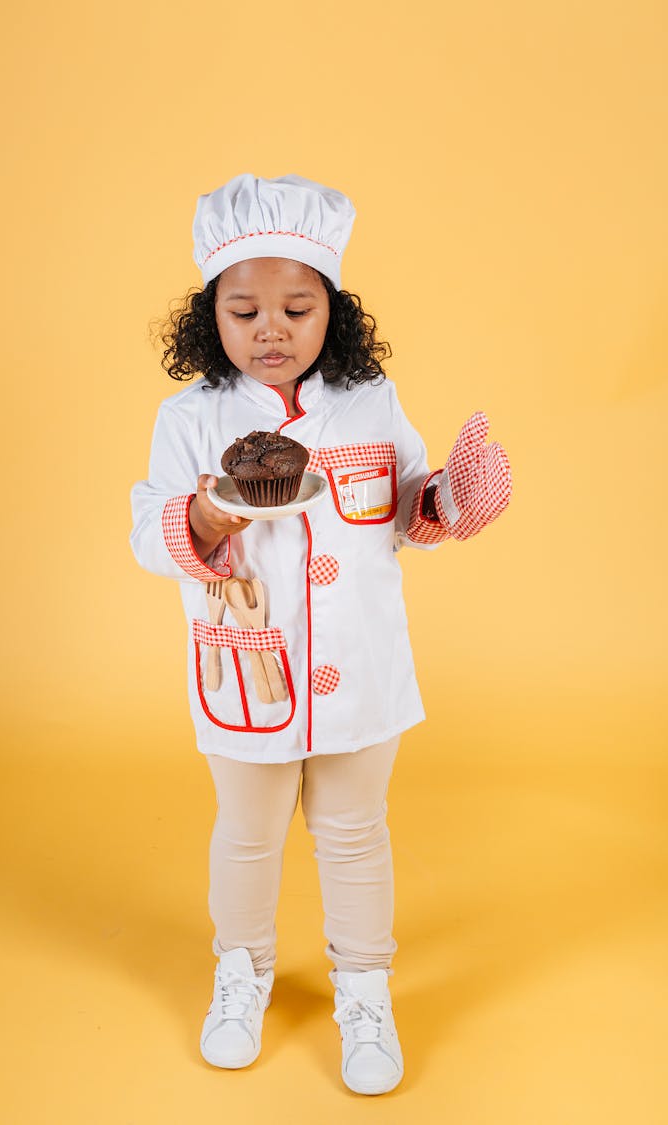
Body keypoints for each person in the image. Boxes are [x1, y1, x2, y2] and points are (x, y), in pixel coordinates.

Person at [130, 173, 512, 1095]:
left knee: (354, 833)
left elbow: (409, 506)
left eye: (297, 307)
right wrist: (209, 519)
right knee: (248, 835)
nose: (271, 328)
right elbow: (149, 529)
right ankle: (242, 972)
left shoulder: (370, 401)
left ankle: (366, 989)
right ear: (208, 317)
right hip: (249, 674)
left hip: (361, 671)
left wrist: (457, 496)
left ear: (331, 311)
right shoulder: (191, 419)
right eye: (244, 309)